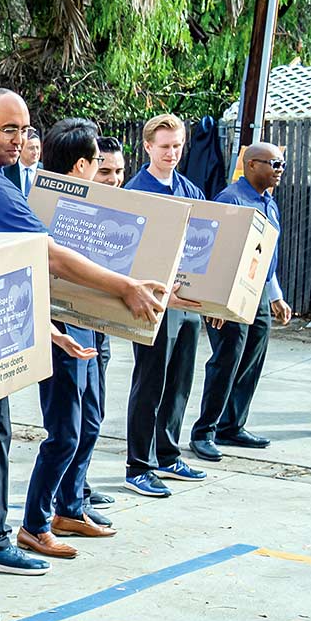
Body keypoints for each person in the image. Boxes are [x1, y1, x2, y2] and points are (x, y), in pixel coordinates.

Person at [0, 89, 165, 577]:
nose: (19, 139)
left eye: (24, 130)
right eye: (8, 129)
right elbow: (48, 253)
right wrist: (124, 286)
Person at [18, 119, 111, 560]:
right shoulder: (44, 210)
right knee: (64, 433)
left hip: (88, 323)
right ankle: (34, 524)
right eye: (99, 163)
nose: (105, 172)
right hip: (60, 328)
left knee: (90, 421)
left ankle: (70, 508)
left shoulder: (89, 209)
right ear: (80, 166)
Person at [121, 114, 212, 498]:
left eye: (177, 146)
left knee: (179, 381)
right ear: (147, 147)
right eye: (164, 147)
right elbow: (127, 252)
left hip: (187, 302)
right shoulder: (135, 192)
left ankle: (168, 455)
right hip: (154, 302)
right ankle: (139, 465)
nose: (172, 153)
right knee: (151, 382)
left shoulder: (190, 190)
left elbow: (206, 246)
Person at [190, 142, 290, 457]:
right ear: (251, 164)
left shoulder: (268, 202)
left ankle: (231, 426)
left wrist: (275, 295)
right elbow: (214, 252)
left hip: (257, 292)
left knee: (252, 357)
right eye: (274, 164)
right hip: (229, 292)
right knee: (227, 359)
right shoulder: (231, 200)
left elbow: (265, 255)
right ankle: (204, 432)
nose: (280, 170)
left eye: (282, 164)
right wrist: (215, 301)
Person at [80, 136, 127, 518]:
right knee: (78, 421)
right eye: (105, 170)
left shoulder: (119, 212)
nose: (112, 179)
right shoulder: (76, 216)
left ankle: (79, 487)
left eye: (118, 171)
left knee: (94, 414)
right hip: (77, 324)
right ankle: (72, 499)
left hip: (102, 325)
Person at [5, 130, 43, 194]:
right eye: (31, 148)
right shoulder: (6, 171)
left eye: (37, 148)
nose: (35, 152)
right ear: (20, 149)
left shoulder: (47, 171)